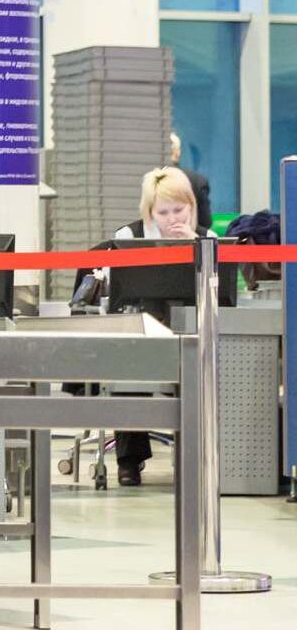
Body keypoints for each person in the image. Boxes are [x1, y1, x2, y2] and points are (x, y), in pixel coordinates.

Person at [110, 166, 201, 487]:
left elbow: (222, 295)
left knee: (200, 371)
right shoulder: (128, 238)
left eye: (180, 209)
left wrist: (196, 250)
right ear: (149, 212)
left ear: (192, 206)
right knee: (129, 368)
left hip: (192, 331)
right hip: (141, 327)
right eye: (163, 212)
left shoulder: (207, 240)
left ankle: (197, 456)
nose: (173, 217)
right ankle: (129, 461)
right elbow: (116, 292)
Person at [169, 133, 213, 232]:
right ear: (178, 153)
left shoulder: (146, 180)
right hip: (191, 244)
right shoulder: (198, 181)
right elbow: (206, 222)